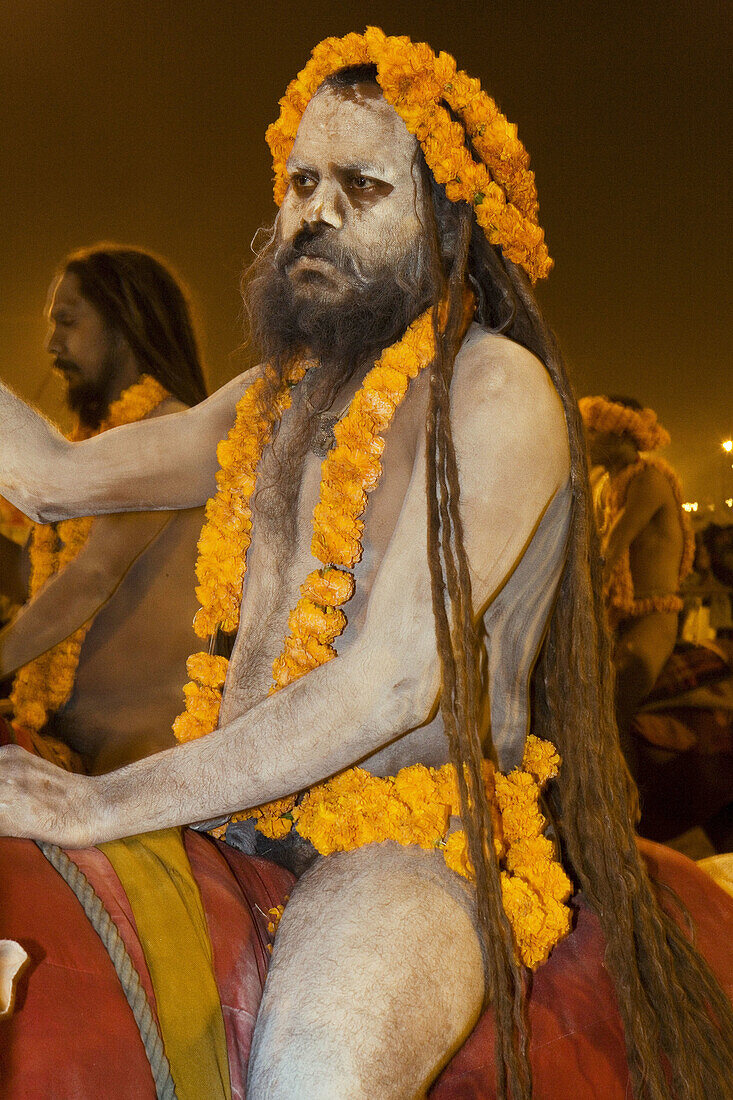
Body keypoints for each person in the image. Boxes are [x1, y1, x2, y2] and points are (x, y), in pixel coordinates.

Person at [0, 30, 731, 1100]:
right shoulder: (272, 402)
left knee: (312, 1077)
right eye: (299, 181)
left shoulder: (497, 392)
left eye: (360, 183)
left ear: (447, 218)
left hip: (405, 848)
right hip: (229, 812)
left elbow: (390, 684)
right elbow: (52, 479)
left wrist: (91, 803)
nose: (314, 211)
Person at [0, 245, 208, 773]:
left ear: (126, 324)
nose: (52, 344)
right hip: (64, 750)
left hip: (141, 761)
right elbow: (38, 582)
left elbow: (92, 575)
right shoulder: (92, 450)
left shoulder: (169, 431)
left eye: (68, 322)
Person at [580, 394, 694, 742]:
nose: (586, 439)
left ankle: (625, 796)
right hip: (616, 618)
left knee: (610, 712)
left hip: (652, 619)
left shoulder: (649, 481)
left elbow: (607, 551)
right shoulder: (602, 483)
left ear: (620, 435)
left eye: (593, 431)